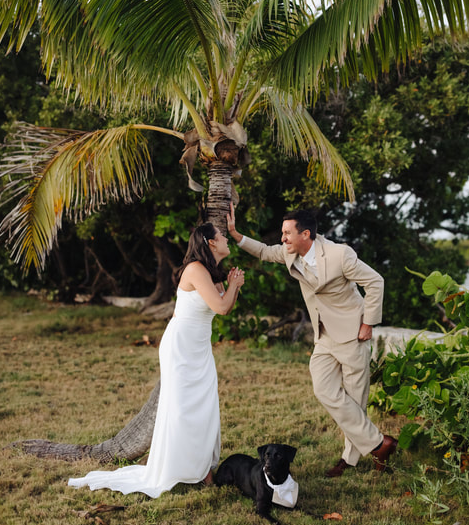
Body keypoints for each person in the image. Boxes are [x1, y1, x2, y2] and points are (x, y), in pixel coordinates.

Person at [68, 222, 245, 497]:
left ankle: (204, 469)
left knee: (205, 405)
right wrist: (233, 286)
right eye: (222, 236)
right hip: (181, 348)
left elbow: (224, 305)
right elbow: (221, 307)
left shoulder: (214, 273)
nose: (226, 239)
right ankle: (181, 468)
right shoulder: (196, 269)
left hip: (200, 349)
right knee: (182, 407)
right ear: (210, 243)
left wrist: (233, 286)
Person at [227, 204, 396, 475]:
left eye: (286, 233)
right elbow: (263, 251)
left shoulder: (341, 254)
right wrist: (236, 234)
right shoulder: (289, 253)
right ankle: (379, 443)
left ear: (305, 234)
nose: (282, 239)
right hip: (323, 336)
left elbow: (375, 282)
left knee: (355, 400)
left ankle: (350, 459)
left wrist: (368, 323)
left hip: (353, 334)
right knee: (324, 390)